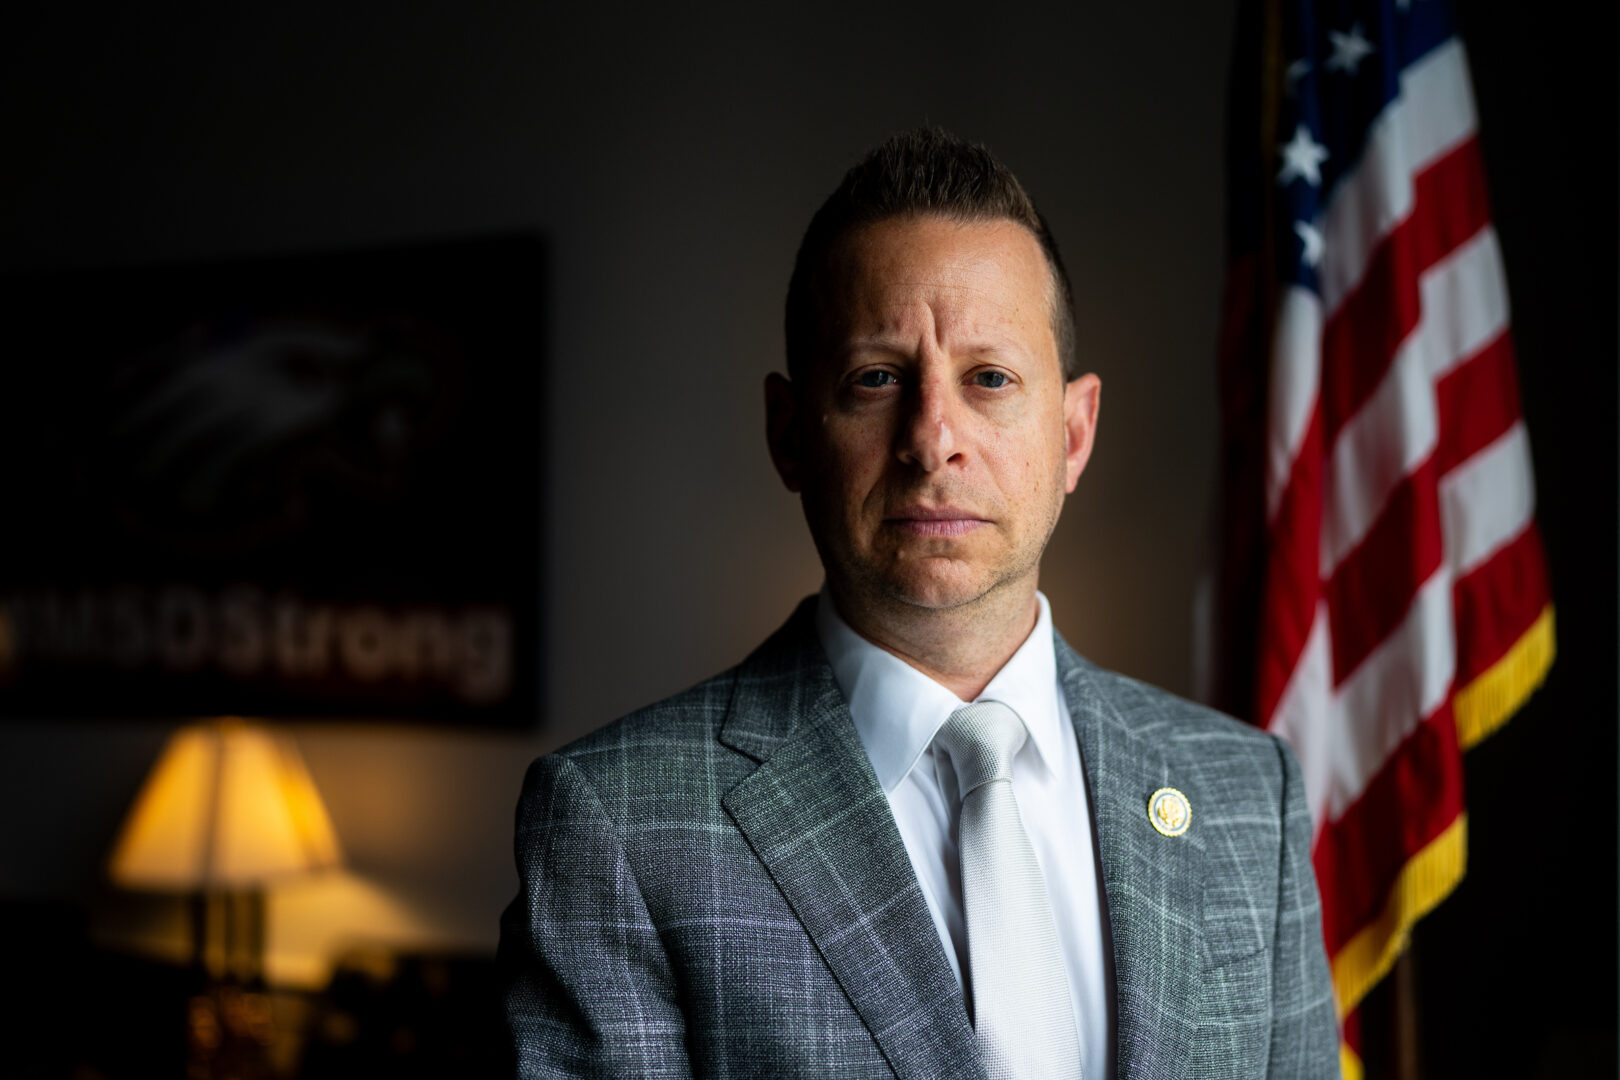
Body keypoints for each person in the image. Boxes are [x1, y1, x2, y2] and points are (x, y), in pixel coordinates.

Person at [498, 128, 1340, 1079]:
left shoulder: (1247, 798)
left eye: (990, 378)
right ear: (789, 434)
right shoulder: (617, 827)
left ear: (1073, 434)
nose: (933, 438)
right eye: (877, 379)